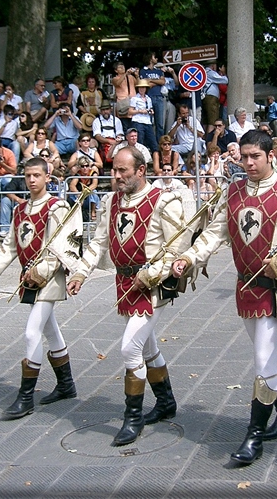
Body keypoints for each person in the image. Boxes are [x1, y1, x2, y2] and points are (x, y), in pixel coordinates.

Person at [170, 129, 277, 466]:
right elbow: (216, 232)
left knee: (264, 357)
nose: (248, 163)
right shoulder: (233, 191)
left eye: (255, 157)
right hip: (245, 285)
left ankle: (253, 437)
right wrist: (190, 257)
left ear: (270, 156)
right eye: (244, 156)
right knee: (269, 355)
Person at [67, 147, 186, 446]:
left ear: (141, 170)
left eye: (123, 171)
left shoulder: (162, 200)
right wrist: (81, 272)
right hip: (123, 283)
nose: (116, 176)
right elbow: (98, 242)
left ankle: (132, 418)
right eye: (114, 170)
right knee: (146, 346)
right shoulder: (110, 201)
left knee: (129, 347)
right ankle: (166, 402)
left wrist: (151, 274)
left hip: (152, 285)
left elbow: (175, 248)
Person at [0, 157, 80, 419]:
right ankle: (66, 384)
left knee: (32, 332)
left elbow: (60, 248)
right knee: (50, 329)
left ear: (47, 177)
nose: (32, 180)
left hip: (49, 279)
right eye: (28, 176)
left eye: (37, 175)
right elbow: (10, 246)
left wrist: (40, 272)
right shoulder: (20, 210)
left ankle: (26, 396)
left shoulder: (57, 208)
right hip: (29, 279)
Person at [139, 53, 167, 143]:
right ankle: (150, 143)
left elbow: (163, 81)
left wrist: (151, 80)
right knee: (149, 122)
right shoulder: (143, 71)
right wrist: (157, 82)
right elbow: (146, 85)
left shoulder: (158, 71)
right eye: (154, 57)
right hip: (149, 98)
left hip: (159, 97)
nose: (156, 58)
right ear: (150, 59)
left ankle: (160, 143)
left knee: (160, 123)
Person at [129, 79, 158, 154]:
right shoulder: (134, 98)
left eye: (143, 87)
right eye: (140, 87)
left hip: (147, 122)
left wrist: (151, 111)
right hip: (138, 121)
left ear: (146, 88)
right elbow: (130, 111)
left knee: (153, 142)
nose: (142, 89)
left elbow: (150, 108)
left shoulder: (148, 99)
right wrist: (140, 111)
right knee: (139, 142)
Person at [201, 61, 228, 132]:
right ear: (213, 65)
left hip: (205, 97)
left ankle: (205, 138)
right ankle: (209, 140)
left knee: (206, 121)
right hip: (211, 98)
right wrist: (224, 72)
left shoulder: (203, 72)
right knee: (212, 121)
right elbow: (225, 80)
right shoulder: (210, 73)